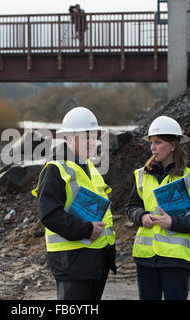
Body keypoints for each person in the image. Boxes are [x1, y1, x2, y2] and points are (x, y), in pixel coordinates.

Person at [32, 106, 116, 300]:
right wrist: (86, 229)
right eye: (85, 136)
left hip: (96, 260)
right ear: (67, 138)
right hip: (72, 262)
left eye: (94, 136)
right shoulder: (54, 169)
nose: (92, 142)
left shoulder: (92, 170)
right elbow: (49, 215)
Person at [125, 116, 190, 300]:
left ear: (173, 145)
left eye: (158, 142)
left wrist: (172, 222)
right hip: (145, 258)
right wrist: (141, 217)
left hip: (176, 259)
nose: (152, 147)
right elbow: (132, 206)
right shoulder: (141, 175)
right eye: (151, 142)